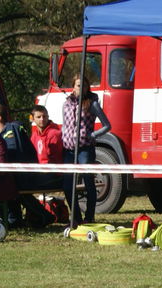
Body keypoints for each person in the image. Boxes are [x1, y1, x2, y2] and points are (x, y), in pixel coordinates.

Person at [62, 76, 111, 224]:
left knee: (88, 181)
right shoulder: (66, 104)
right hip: (68, 149)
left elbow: (107, 125)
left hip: (85, 148)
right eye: (78, 85)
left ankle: (89, 217)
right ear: (73, 87)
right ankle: (76, 217)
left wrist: (92, 135)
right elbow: (65, 124)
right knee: (67, 185)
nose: (81, 88)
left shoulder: (92, 104)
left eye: (84, 86)